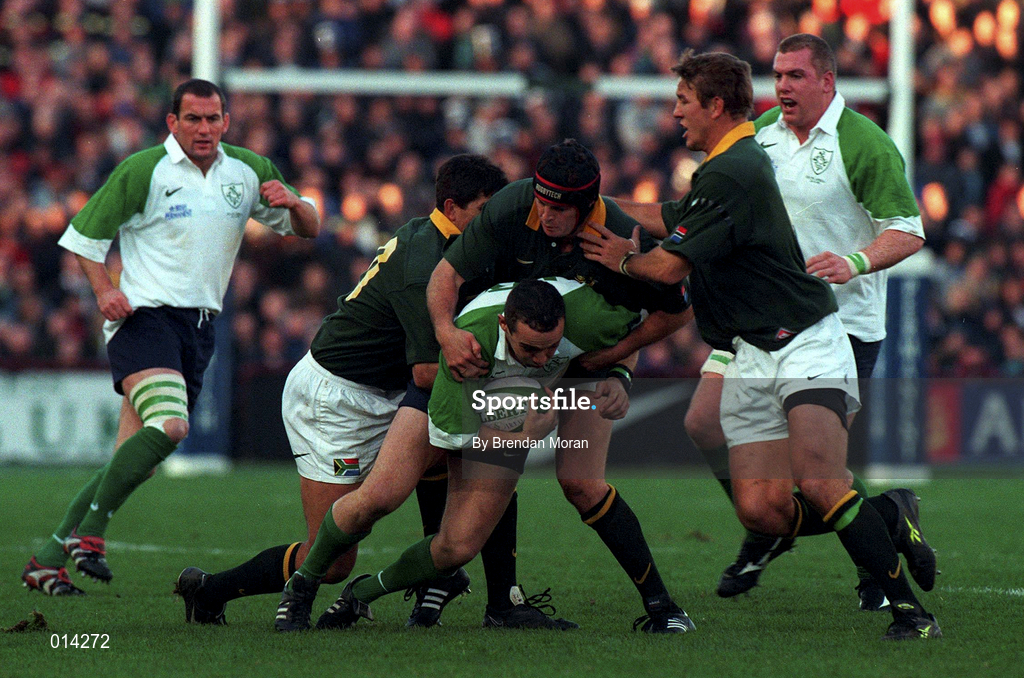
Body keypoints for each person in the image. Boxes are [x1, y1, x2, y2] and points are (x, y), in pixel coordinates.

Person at [579, 50, 939, 640]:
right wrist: (597, 207)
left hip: (811, 334)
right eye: (778, 76)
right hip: (751, 344)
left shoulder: (839, 146)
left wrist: (625, 256)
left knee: (822, 480)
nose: (674, 114)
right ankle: (886, 516)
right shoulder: (749, 149)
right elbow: (679, 214)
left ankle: (909, 611)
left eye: (683, 102)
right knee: (762, 508)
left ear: (716, 106)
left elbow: (670, 268)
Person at [175, 154, 524, 627]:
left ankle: (447, 579)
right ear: (453, 206)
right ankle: (209, 590)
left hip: (382, 391)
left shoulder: (448, 238)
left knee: (472, 446)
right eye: (485, 208)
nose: (494, 220)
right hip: (336, 400)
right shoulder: (426, 264)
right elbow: (425, 373)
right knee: (336, 559)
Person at [21, 79, 320, 596]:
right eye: (193, 119)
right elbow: (84, 237)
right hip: (145, 318)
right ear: (172, 123)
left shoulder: (247, 171)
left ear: (226, 121)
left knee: (132, 459)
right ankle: (89, 536)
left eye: (213, 119)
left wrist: (294, 204)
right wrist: (102, 292)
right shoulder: (143, 170)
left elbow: (310, 228)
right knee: (173, 425)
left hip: (200, 327)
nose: (204, 129)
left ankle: (47, 559)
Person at [273, 278, 694, 634]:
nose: (545, 359)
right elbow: (463, 443)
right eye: (531, 350)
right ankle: (302, 585)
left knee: (457, 547)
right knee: (381, 496)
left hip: (510, 403)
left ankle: (361, 593)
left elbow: (651, 321)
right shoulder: (470, 348)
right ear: (503, 325)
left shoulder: (591, 319)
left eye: (552, 349)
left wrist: (620, 373)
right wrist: (528, 435)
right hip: (452, 397)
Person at [426, 139, 694, 631]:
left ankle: (663, 608)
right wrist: (446, 332)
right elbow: (446, 273)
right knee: (487, 461)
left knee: (581, 483)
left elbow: (673, 313)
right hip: (516, 354)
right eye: (542, 203)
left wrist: (615, 366)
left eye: (559, 209)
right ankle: (496, 602)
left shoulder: (625, 236)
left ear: (588, 205)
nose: (545, 216)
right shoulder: (512, 205)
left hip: (584, 366)